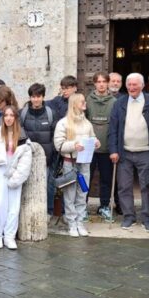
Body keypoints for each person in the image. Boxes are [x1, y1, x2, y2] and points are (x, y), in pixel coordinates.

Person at [108, 73, 149, 231]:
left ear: (143, 86)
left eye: (135, 85)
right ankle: (128, 216)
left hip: (146, 152)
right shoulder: (119, 103)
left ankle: (147, 217)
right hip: (125, 152)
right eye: (129, 85)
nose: (131, 88)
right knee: (124, 186)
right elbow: (113, 128)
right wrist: (113, 150)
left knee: (147, 187)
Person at [0, 105, 33, 249]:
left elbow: (26, 158)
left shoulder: (22, 136)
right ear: (3, 117)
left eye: (12, 115)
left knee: (13, 206)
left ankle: (9, 236)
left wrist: (17, 178)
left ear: (16, 118)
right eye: (6, 115)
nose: (9, 118)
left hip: (14, 172)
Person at [54, 93, 100, 237]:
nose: (85, 103)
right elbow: (59, 145)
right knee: (70, 194)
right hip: (70, 164)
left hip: (85, 163)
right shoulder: (63, 123)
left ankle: (80, 222)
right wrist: (74, 145)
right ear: (74, 104)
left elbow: (92, 137)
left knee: (83, 193)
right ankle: (71, 223)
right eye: (82, 102)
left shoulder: (87, 123)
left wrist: (96, 142)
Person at [20, 83, 58, 217]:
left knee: (47, 185)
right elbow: (20, 134)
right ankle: (27, 212)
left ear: (43, 97)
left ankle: (48, 212)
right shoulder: (22, 113)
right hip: (26, 158)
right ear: (30, 97)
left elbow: (55, 136)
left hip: (46, 159)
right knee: (26, 185)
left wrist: (52, 154)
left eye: (38, 96)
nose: (36, 99)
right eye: (33, 96)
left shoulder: (50, 114)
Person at [85, 72, 116, 218]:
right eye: (98, 82)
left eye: (104, 81)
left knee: (106, 178)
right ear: (94, 84)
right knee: (86, 178)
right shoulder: (87, 100)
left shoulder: (114, 101)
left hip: (107, 147)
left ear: (108, 83)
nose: (101, 84)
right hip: (89, 148)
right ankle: (82, 206)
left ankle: (104, 206)